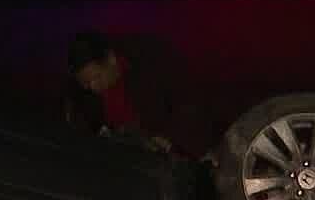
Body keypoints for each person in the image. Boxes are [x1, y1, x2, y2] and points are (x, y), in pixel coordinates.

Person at [63, 30, 207, 158]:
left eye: (97, 77)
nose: (93, 87)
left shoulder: (149, 66)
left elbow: (187, 105)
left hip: (163, 152)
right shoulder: (82, 93)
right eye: (86, 83)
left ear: (111, 59)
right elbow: (82, 125)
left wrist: (168, 137)